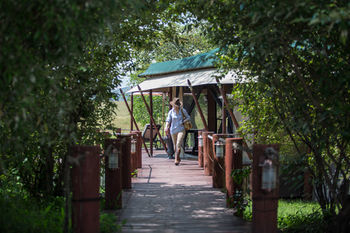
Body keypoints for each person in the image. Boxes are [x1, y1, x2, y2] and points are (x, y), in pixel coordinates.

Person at [165, 97, 190, 165]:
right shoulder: (171, 112)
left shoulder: (182, 110)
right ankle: (178, 157)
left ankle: (176, 159)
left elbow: (188, 117)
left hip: (181, 129)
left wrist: (183, 121)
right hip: (173, 130)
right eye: (175, 106)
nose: (176, 107)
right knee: (175, 145)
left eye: (177, 106)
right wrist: (166, 127)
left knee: (178, 143)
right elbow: (168, 120)